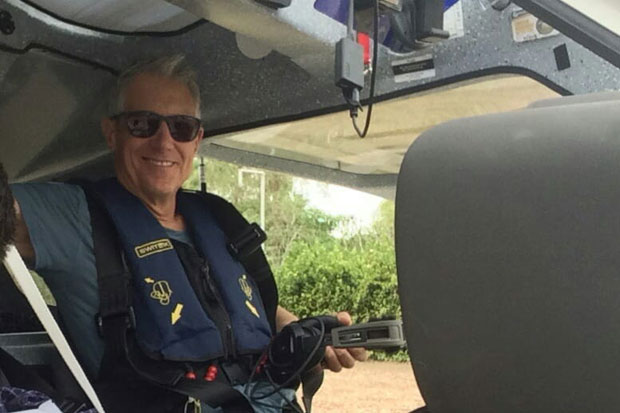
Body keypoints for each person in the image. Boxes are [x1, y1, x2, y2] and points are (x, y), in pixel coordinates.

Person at [7, 55, 366, 412]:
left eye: (181, 127)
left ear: (196, 140)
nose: (163, 142)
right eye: (142, 123)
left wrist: (303, 335)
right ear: (111, 133)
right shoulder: (73, 214)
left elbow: (243, 309)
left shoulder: (219, 220)